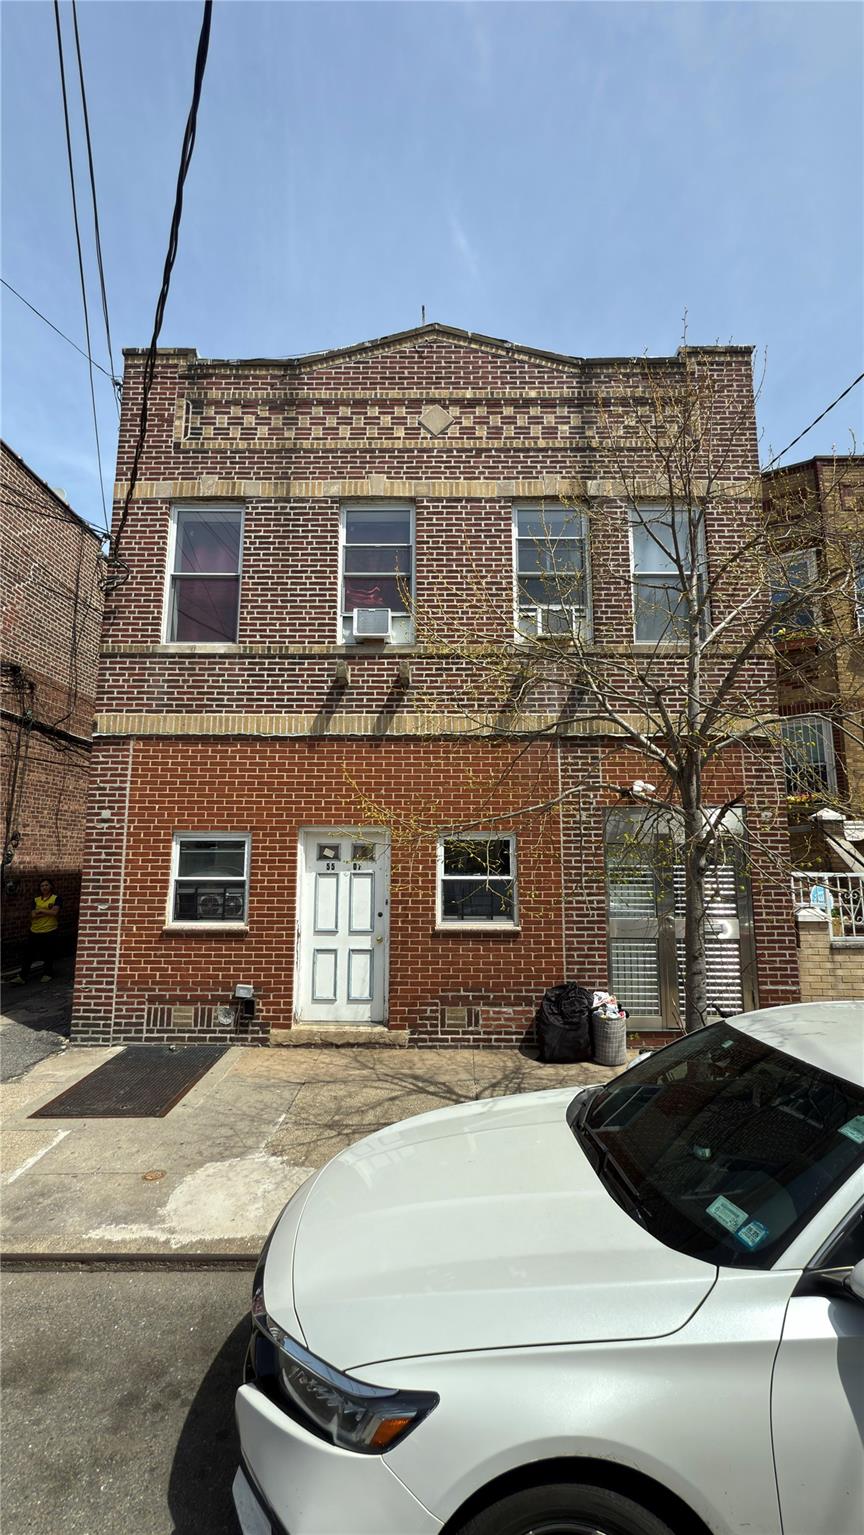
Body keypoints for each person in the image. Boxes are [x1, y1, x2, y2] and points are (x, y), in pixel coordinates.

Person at [12, 879, 62, 984]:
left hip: (49, 929)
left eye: (46, 885)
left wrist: (40, 910)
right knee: (28, 954)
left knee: (48, 953)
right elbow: (33, 915)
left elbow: (55, 913)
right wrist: (47, 912)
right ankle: (22, 977)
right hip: (35, 930)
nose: (44, 887)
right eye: (42, 886)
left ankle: (47, 974)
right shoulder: (36, 900)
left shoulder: (56, 898)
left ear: (51, 886)